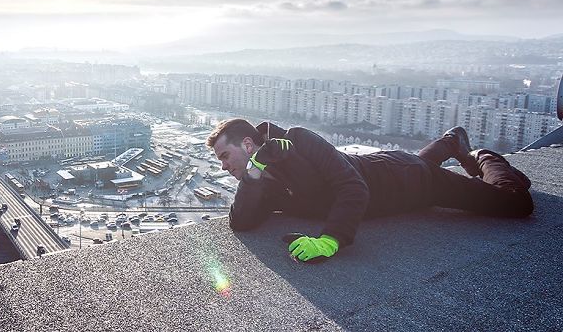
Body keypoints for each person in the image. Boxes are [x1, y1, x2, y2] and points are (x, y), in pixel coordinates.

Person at [207, 119, 533, 263]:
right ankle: (450, 142)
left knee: (515, 203)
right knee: (411, 161)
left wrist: (331, 239)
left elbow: (353, 187)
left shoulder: (300, 140)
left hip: (410, 183)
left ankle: (482, 156)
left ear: (248, 143)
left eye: (225, 155)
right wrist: (252, 175)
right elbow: (242, 222)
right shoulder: (261, 176)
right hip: (387, 169)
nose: (223, 165)